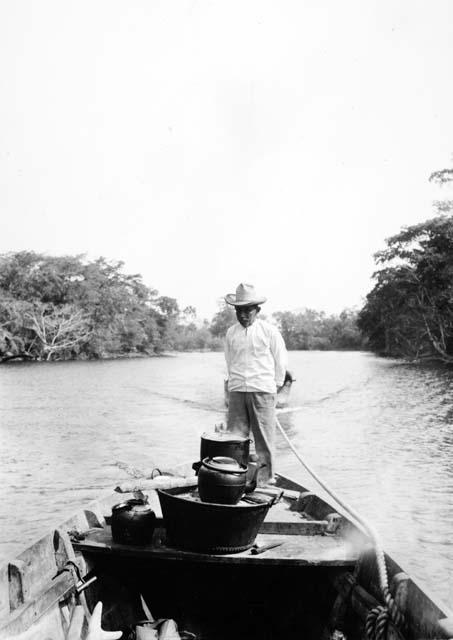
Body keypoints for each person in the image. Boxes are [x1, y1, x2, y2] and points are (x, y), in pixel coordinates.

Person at [224, 283, 288, 485]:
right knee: (234, 439)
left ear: (257, 310)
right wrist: (233, 384)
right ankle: (234, 478)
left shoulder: (269, 332)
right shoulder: (231, 333)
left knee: (264, 438)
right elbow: (229, 360)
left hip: (262, 390)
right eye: (239, 310)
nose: (243, 315)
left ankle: (265, 479)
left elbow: (281, 361)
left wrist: (275, 387)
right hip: (237, 390)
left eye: (247, 310)